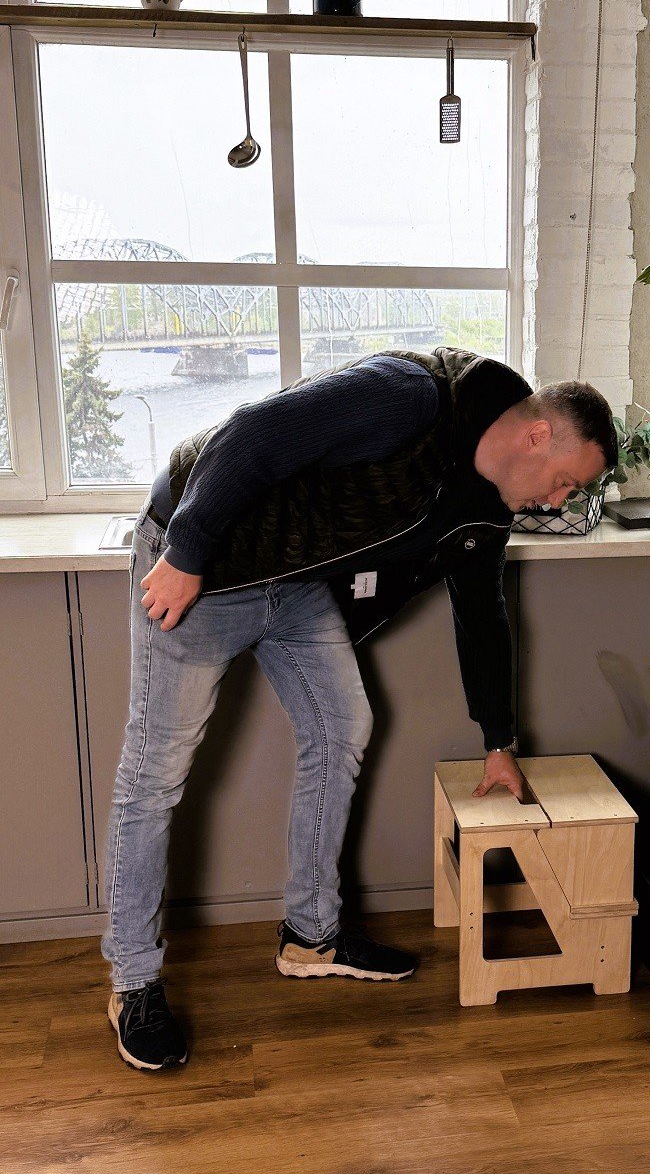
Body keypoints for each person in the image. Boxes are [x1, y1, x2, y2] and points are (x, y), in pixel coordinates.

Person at [103, 345, 616, 1072]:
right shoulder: (410, 396)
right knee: (152, 780)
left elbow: (483, 615)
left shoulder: (485, 506)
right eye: (564, 483)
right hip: (207, 565)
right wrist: (184, 552)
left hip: (295, 582)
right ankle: (133, 982)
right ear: (537, 435)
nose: (557, 503)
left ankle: (311, 937)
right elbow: (249, 433)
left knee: (343, 728)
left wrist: (499, 741)